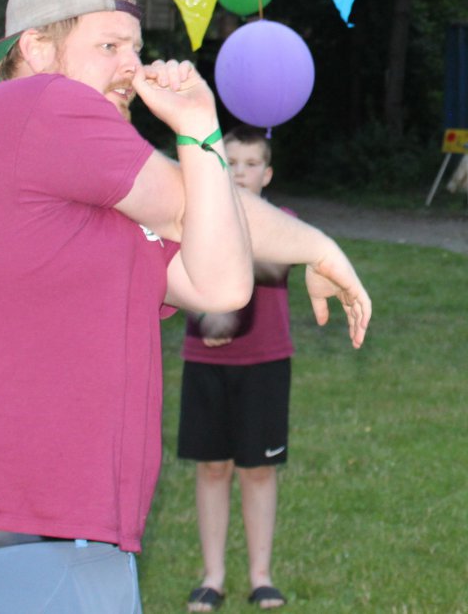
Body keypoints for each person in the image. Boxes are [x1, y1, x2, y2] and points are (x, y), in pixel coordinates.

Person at [0, 0, 371, 614]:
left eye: (135, 48)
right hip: (7, 520)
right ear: (36, 49)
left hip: (63, 527)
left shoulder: (76, 193)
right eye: (108, 46)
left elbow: (219, 283)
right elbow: (182, 201)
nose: (132, 70)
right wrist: (313, 242)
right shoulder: (36, 106)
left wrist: (200, 130)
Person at [179, 128, 296, 612]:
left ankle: (261, 576)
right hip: (205, 359)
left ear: (266, 175)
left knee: (258, 469)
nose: (241, 172)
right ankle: (213, 576)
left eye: (251, 164)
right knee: (211, 468)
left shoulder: (281, 220)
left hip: (264, 359)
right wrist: (204, 315)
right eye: (231, 162)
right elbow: (178, 273)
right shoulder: (192, 218)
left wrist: (236, 225)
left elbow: (275, 268)